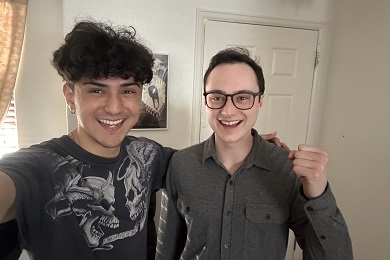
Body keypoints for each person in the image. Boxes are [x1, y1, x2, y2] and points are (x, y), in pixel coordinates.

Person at [0, 20, 284, 260]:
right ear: (69, 96)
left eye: (127, 91)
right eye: (97, 91)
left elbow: (202, 161)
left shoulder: (146, 154)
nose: (114, 108)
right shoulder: (38, 166)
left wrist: (243, 143)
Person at [156, 47, 353, 259]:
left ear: (260, 101)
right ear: (206, 101)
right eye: (217, 97)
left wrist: (318, 193)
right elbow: (166, 250)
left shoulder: (286, 170)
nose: (228, 111)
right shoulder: (181, 165)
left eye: (242, 98)